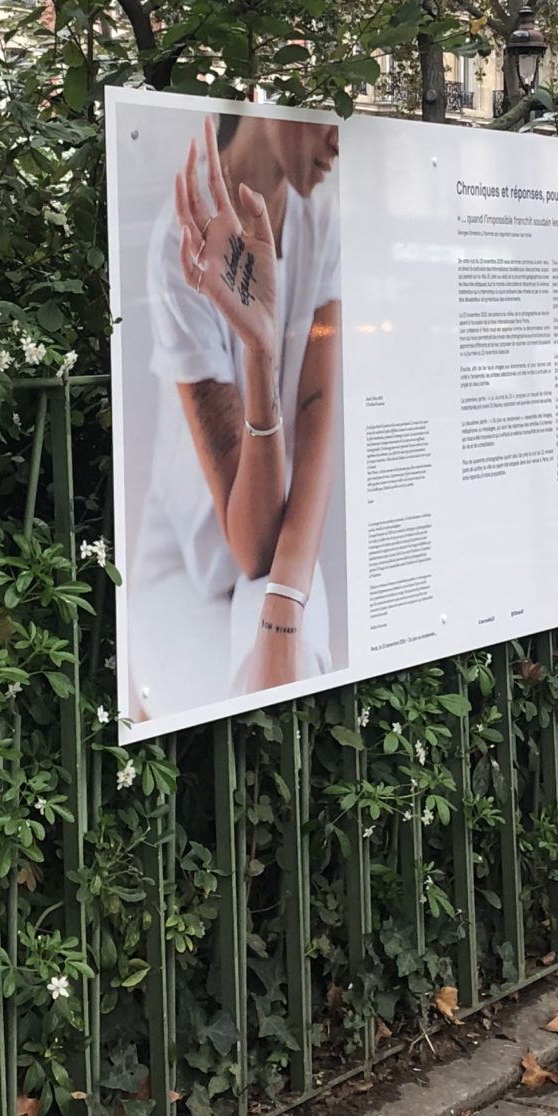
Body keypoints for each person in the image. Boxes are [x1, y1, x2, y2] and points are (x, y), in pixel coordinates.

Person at [127, 112, 343, 723]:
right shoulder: (185, 238)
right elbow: (244, 543)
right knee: (223, 727)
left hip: (282, 539)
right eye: (329, 116)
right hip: (189, 560)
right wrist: (260, 352)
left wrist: (282, 609)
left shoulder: (321, 224)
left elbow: (317, 415)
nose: (337, 140)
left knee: (288, 685)